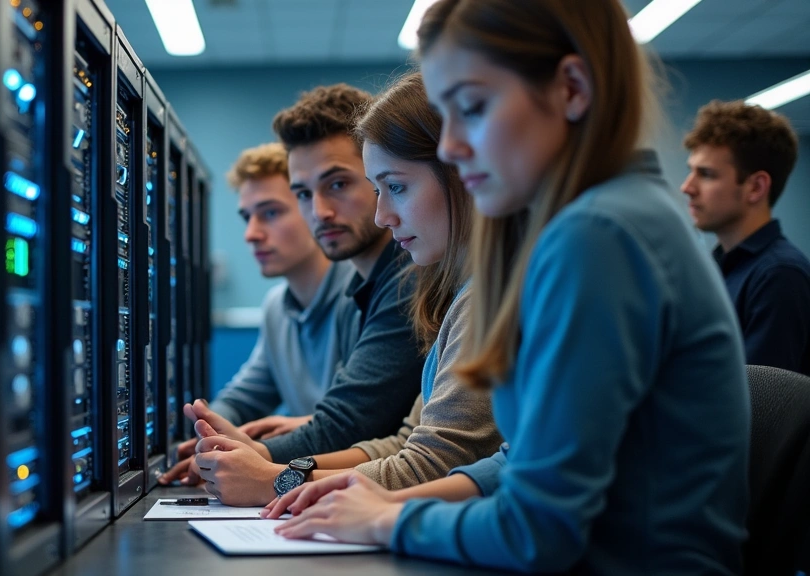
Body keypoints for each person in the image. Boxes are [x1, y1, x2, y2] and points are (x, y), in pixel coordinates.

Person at [265, 1, 750, 574]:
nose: (450, 148)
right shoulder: (605, 220)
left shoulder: (598, 235)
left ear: (571, 89)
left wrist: (384, 520)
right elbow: (524, 461)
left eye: (472, 108)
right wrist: (389, 499)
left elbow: (538, 529)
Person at [190, 73, 502, 506]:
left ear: (462, 172)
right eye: (302, 193)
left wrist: (273, 478)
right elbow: (406, 442)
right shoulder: (443, 291)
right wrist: (274, 468)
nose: (382, 215)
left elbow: (426, 459)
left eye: (394, 187)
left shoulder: (473, 293)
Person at [160, 84, 425, 483]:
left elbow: (354, 427)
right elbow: (392, 441)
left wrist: (263, 464)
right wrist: (218, 435)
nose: (319, 211)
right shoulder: (363, 286)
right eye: (303, 193)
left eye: (337, 184)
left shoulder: (408, 278)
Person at [160, 143, 357, 486]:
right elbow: (244, 398)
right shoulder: (276, 307)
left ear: (311, 207)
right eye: (247, 217)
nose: (251, 234)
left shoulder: (363, 296)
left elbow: (358, 424)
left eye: (270, 213)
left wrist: (252, 453)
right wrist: (208, 431)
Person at [681, 100, 810, 376]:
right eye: (690, 170)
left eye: (706, 174)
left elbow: (762, 408)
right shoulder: (721, 268)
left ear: (756, 186)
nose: (687, 187)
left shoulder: (778, 275)